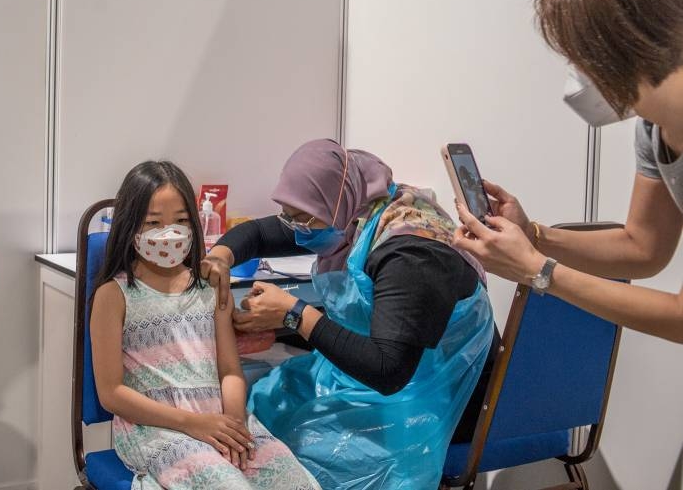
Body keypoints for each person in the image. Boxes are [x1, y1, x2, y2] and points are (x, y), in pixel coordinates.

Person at [201, 139, 496, 489]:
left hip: (422, 397)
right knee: (266, 408)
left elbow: (388, 371)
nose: (294, 228)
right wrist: (220, 256)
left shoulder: (412, 254)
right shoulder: (356, 210)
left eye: (300, 218)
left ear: (336, 203)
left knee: (291, 456)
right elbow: (260, 232)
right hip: (359, 374)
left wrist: (294, 314)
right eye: (289, 215)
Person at [453, 0, 683, 345]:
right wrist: (533, 235)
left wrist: (539, 271)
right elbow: (643, 247)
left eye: (580, 55)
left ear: (626, 44)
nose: (578, 74)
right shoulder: (653, 127)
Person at [90, 161, 321, 490]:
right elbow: (111, 393)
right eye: (154, 222)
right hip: (156, 427)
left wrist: (235, 424)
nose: (170, 232)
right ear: (131, 227)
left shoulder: (211, 285)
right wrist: (194, 424)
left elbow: (229, 370)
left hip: (219, 418)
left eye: (182, 221)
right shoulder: (114, 296)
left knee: (291, 477)